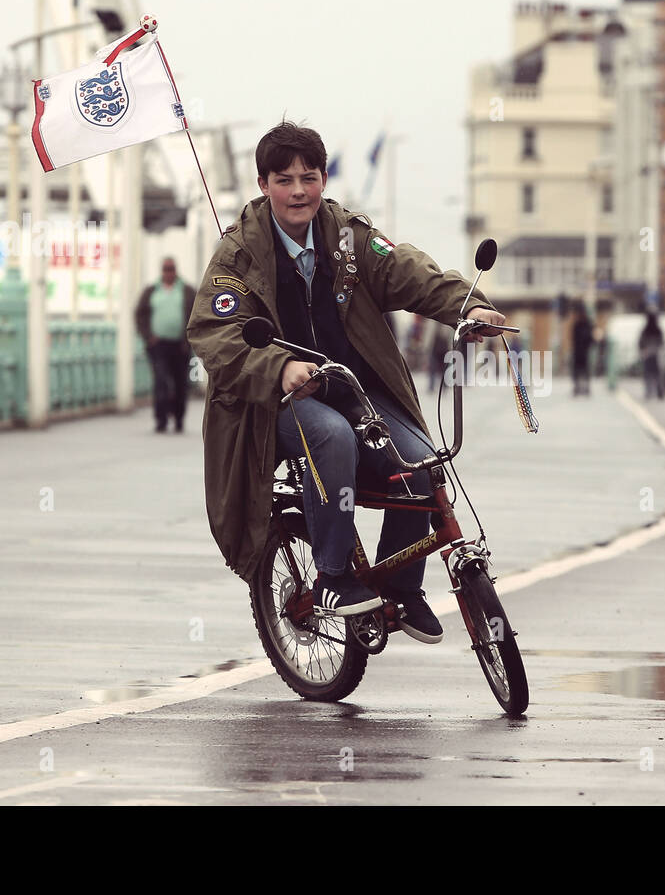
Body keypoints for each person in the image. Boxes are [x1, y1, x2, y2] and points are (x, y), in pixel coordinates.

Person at [186, 120, 506, 643]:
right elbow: (214, 337)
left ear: (324, 178)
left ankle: (403, 588)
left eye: (308, 177)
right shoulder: (238, 255)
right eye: (284, 179)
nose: (298, 191)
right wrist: (280, 368)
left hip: (353, 388)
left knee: (421, 462)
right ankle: (333, 577)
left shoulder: (349, 238)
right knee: (332, 438)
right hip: (278, 401)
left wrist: (469, 308)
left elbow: (409, 272)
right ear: (264, 184)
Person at [135, 256, 196, 432]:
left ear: (175, 270)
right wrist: (148, 336)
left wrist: (189, 338)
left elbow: (197, 313)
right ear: (162, 271)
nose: (168, 272)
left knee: (180, 383)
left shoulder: (187, 290)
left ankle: (178, 418)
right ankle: (161, 419)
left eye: (171, 269)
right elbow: (140, 314)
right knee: (161, 381)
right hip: (158, 345)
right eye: (165, 269)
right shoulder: (151, 290)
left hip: (180, 345)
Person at [639, 311, 665, 400]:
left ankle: (649, 391)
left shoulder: (645, 330)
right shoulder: (658, 330)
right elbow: (662, 342)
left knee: (648, 374)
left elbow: (641, 342)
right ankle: (659, 391)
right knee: (657, 374)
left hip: (647, 354)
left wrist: (644, 350)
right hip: (656, 354)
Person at [571, 305, 594, 396]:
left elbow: (590, 338)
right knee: (579, 370)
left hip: (583, 351)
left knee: (583, 370)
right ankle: (579, 387)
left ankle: (583, 388)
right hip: (580, 351)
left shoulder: (585, 325)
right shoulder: (578, 325)